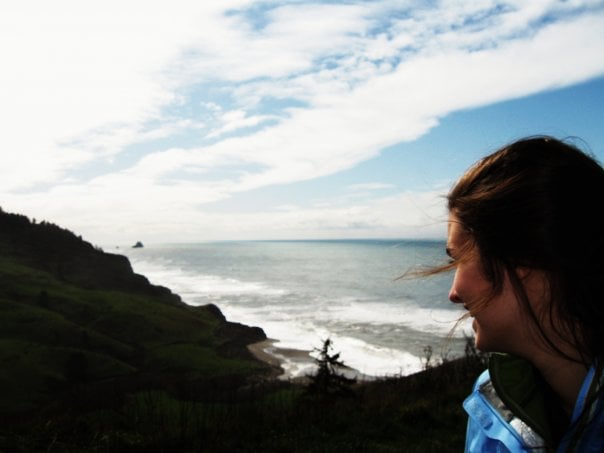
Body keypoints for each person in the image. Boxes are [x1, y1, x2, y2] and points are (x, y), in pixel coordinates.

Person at [443, 137, 604, 451]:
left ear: (521, 258)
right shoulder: (492, 401)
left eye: (461, 258)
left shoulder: (498, 402)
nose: (454, 293)